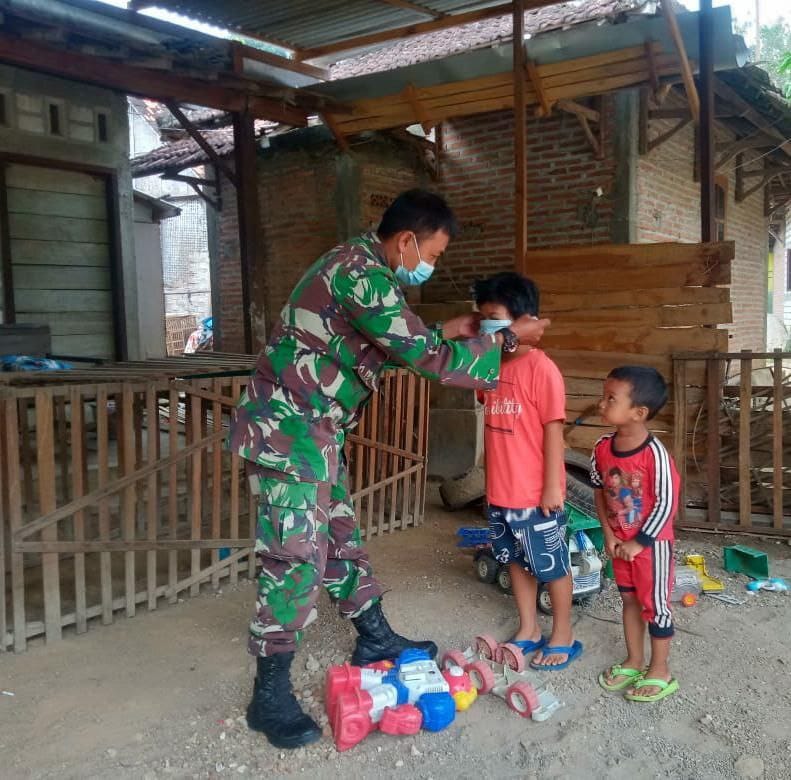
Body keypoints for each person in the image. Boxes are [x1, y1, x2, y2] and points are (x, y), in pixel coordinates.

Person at [228, 189, 549, 749]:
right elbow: (421, 357)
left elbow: (409, 338)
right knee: (295, 555)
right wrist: (509, 342)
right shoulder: (361, 273)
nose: (432, 264)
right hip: (288, 431)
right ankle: (269, 692)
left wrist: (451, 329)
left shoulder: (364, 268)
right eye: (433, 253)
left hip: (314, 430)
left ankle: (373, 637)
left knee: (340, 536)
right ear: (406, 241)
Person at [473, 272, 581, 671]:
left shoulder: (542, 369)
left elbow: (554, 432)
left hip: (536, 494)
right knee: (515, 561)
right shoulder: (488, 368)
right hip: (501, 492)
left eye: (494, 316)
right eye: (482, 317)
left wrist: (553, 486)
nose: (487, 325)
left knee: (552, 565)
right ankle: (529, 628)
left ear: (524, 319)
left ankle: (563, 634)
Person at [592, 366, 680, 703]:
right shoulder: (602, 447)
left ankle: (660, 670)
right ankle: (634, 660)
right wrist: (609, 534)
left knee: (655, 607)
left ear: (638, 412)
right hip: (619, 545)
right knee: (628, 600)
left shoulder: (655, 454)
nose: (602, 403)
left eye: (611, 398)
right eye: (604, 396)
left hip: (651, 547)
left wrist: (638, 542)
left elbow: (668, 503)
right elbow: (601, 491)